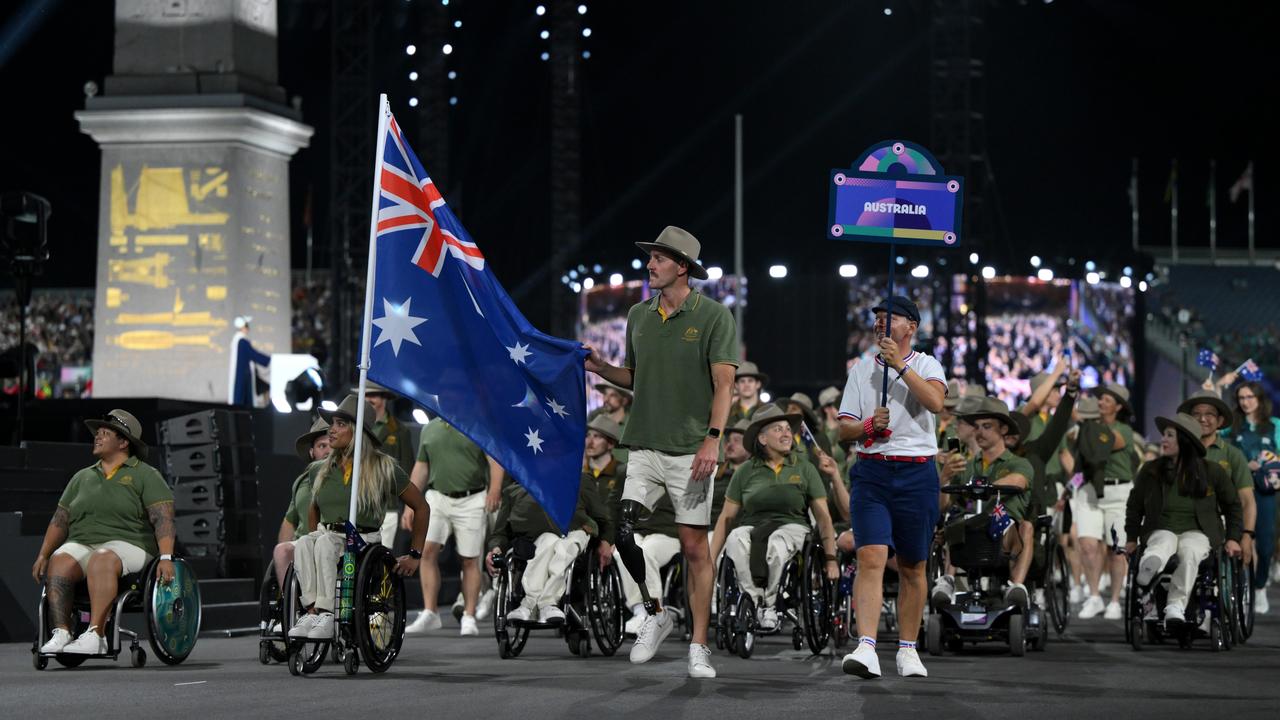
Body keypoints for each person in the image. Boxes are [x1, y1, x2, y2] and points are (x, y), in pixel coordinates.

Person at [584, 225, 736, 678]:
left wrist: (713, 438)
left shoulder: (713, 316)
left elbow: (725, 383)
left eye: (659, 258)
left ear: (682, 267)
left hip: (692, 450)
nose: (650, 265)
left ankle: (699, 646)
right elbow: (635, 377)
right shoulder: (638, 315)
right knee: (624, 531)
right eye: (650, 257)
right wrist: (599, 367)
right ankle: (656, 612)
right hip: (644, 445)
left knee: (694, 549)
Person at [836, 295, 947, 679]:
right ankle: (866, 646)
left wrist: (899, 366)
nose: (881, 322)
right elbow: (843, 429)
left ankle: (907, 648)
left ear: (911, 327)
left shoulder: (927, 363)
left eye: (890, 317)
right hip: (872, 472)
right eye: (878, 317)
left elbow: (934, 402)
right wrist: (868, 427)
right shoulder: (860, 371)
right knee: (870, 555)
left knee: (914, 566)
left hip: (917, 474)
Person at [33, 410, 176, 655]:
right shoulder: (81, 477)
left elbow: (163, 518)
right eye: (97, 433)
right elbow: (60, 520)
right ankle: (62, 632)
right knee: (60, 560)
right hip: (84, 542)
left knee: (102, 556)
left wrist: (166, 558)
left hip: (131, 545)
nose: (97, 437)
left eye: (105, 433)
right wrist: (44, 554)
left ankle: (96, 634)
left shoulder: (145, 475)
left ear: (123, 442)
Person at [288, 395, 429, 640]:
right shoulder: (317, 470)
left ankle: (327, 613)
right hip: (328, 536)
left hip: (362, 540)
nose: (331, 430)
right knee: (305, 543)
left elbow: (422, 507)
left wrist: (416, 555)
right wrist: (315, 533)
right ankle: (312, 611)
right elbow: (313, 508)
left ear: (357, 431)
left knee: (323, 543)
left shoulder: (384, 467)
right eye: (332, 424)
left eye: (341, 424)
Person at [709, 405, 839, 632]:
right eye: (778, 429)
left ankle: (770, 605)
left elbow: (823, 516)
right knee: (736, 538)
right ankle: (753, 600)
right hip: (753, 526)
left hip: (793, 527)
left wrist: (830, 557)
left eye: (788, 429)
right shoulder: (746, 471)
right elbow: (727, 518)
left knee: (777, 542)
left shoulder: (805, 468)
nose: (787, 434)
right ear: (762, 438)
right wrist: (710, 560)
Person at [1124, 413, 1243, 627]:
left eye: (1170, 435)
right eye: (1164, 435)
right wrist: (1131, 538)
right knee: (1163, 541)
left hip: (1198, 531)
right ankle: (1149, 570)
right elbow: (1134, 506)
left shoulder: (1212, 472)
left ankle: (1175, 607)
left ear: (1185, 441)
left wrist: (1234, 538)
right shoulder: (1151, 470)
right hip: (1161, 528)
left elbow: (1233, 505)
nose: (1163, 440)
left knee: (1190, 551)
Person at [403, 415, 504, 636]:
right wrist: (411, 503)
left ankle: (469, 615)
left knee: (470, 559)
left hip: (472, 498)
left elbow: (495, 460)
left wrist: (495, 489)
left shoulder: (477, 425)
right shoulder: (429, 429)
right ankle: (430, 612)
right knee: (426, 551)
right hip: (437, 497)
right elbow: (421, 468)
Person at [938, 397, 1037, 607]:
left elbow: (1018, 481)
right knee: (952, 519)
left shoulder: (1019, 463)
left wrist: (984, 487)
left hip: (1004, 534)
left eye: (987, 426)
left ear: (1003, 429)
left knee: (1026, 527)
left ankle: (1016, 587)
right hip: (970, 531)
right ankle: (947, 581)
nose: (979, 432)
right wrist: (944, 478)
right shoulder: (965, 465)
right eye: (977, 427)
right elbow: (944, 506)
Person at [486, 466, 615, 624]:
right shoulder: (515, 489)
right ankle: (530, 604)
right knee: (547, 541)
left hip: (577, 532)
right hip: (543, 538)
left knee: (564, 547)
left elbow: (604, 519)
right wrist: (496, 549)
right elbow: (500, 533)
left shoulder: (580, 481)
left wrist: (606, 541)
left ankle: (546, 602)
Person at [1075, 384, 1137, 620]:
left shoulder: (1124, 431)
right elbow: (1080, 462)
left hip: (1118, 493)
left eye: (1107, 400)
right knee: (1088, 545)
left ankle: (1114, 600)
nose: (1100, 402)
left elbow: (1104, 443)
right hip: (1089, 491)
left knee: (1117, 549)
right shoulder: (1087, 428)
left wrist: (1082, 423)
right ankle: (1093, 596)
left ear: (1118, 407)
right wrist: (1070, 489)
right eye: (1100, 399)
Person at [1229, 381, 1279, 613]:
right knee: (1243, 541)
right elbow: (1210, 433)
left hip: (1266, 491)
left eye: (1250, 397)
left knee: (1267, 545)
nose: (1245, 402)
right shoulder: (1233, 427)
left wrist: (1270, 463)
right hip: (1241, 489)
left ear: (1259, 399)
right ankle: (1245, 587)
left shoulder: (1274, 426)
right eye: (1241, 398)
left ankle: (1260, 587)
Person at [273, 417, 331, 587]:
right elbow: (289, 522)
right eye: (322, 446)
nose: (328, 451)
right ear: (312, 452)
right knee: (282, 551)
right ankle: (290, 604)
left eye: (331, 446)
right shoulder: (301, 482)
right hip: (303, 545)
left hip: (332, 545)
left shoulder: (346, 480)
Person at [362, 382, 414, 549]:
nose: (369, 399)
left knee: (381, 553)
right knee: (355, 553)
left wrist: (408, 505)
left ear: (384, 398)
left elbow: (407, 467)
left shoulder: (399, 430)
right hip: (358, 500)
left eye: (374, 395)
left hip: (387, 504)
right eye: (367, 394)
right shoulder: (355, 427)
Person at [227, 315, 271, 407]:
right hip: (243, 376)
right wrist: (270, 360)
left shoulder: (238, 340)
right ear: (243, 327)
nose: (248, 329)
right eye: (247, 326)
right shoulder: (242, 341)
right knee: (243, 401)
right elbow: (253, 354)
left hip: (244, 375)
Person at [589, 380, 633, 464]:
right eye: (605, 394)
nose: (606, 399)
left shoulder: (632, 425)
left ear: (624, 400)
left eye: (612, 395)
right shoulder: (594, 420)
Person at [728, 361, 768, 426]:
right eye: (742, 381)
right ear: (736, 385)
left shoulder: (767, 411)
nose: (746, 385)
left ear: (758, 384)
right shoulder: (727, 413)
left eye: (750, 380)